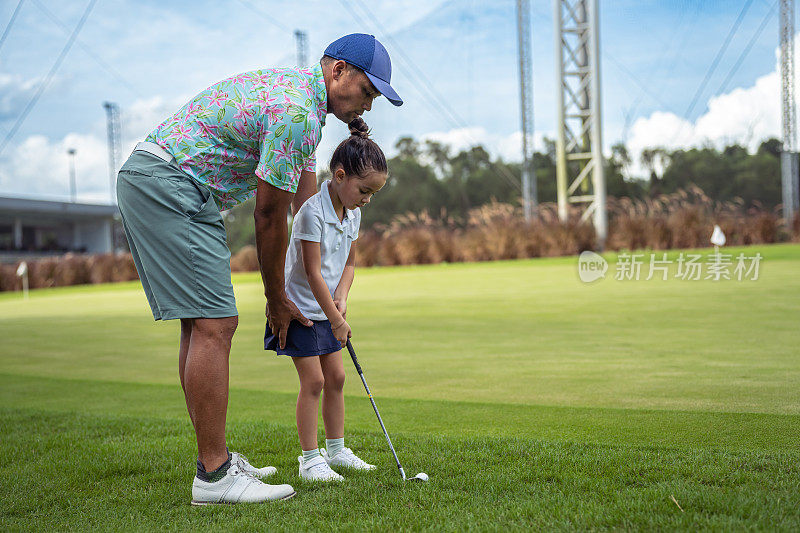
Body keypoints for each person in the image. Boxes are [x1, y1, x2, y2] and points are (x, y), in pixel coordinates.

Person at [115, 33, 402, 505]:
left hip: (168, 185)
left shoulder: (302, 106)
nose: (367, 107)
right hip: (171, 188)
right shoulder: (295, 115)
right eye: (367, 92)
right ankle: (214, 478)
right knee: (217, 323)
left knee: (200, 324)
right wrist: (277, 299)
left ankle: (216, 460)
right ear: (338, 72)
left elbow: (306, 210)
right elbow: (270, 215)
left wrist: (329, 267)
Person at [264, 118, 386, 481]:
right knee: (314, 382)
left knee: (337, 377)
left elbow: (349, 262)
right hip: (300, 309)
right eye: (364, 190)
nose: (366, 199)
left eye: (372, 194)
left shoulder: (353, 213)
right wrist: (334, 317)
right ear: (339, 175)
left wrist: (342, 298)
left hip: (329, 308)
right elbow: (313, 272)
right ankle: (309, 459)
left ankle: (336, 450)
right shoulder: (310, 214)